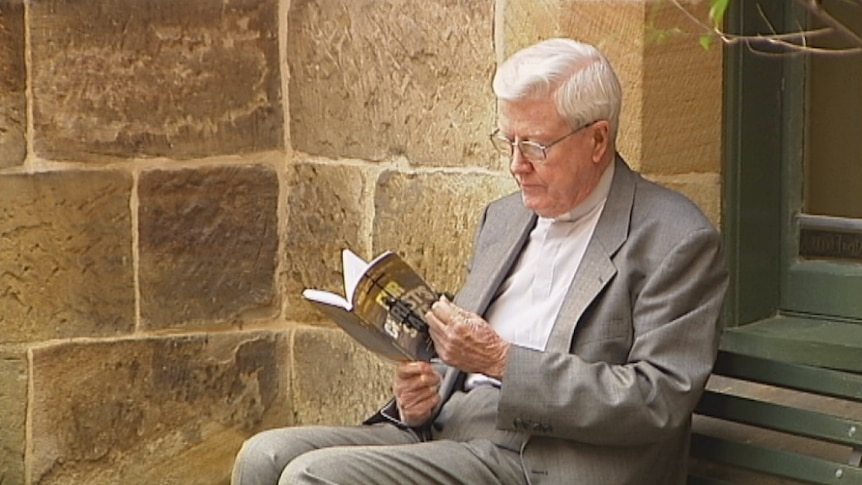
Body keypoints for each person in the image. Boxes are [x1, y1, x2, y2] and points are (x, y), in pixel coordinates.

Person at [231, 37, 728, 485]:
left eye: (535, 145)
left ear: (597, 140)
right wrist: (419, 395)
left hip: (546, 457)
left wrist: (501, 362)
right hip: (450, 430)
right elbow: (453, 358)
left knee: (315, 479)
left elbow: (655, 401)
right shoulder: (506, 217)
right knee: (264, 456)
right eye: (508, 142)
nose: (517, 165)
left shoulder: (675, 239)